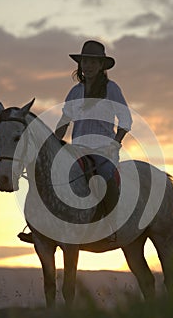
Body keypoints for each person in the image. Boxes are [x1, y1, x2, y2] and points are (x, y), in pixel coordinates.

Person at [18, 40, 132, 243]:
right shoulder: (75, 92)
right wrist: (52, 144)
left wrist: (115, 144)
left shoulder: (112, 89)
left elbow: (126, 121)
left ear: (101, 66)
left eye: (92, 62)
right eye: (84, 61)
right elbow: (65, 121)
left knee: (104, 176)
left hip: (104, 149)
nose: (87, 66)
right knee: (51, 175)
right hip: (77, 148)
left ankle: (110, 227)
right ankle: (39, 226)